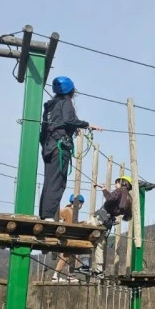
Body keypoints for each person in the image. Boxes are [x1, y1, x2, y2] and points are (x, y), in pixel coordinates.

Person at [38, 76, 103, 221]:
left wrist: (46, 146)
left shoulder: (49, 106)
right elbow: (68, 120)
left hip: (49, 145)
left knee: (49, 180)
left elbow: (45, 129)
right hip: (60, 146)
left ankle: (44, 214)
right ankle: (49, 216)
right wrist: (87, 124)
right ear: (71, 90)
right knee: (58, 181)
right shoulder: (65, 102)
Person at [78, 176, 133, 278]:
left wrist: (104, 190)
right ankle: (99, 270)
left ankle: (85, 264)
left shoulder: (119, 191)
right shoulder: (128, 198)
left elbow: (110, 198)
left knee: (84, 235)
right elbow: (123, 212)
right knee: (99, 244)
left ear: (123, 183)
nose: (115, 184)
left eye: (117, 182)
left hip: (100, 218)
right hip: (107, 222)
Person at [51, 194, 86, 283]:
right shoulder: (69, 211)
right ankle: (65, 275)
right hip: (64, 236)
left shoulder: (67, 210)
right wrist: (85, 223)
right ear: (78, 203)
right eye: (81, 204)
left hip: (63, 235)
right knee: (69, 254)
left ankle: (62, 275)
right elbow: (73, 225)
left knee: (67, 255)